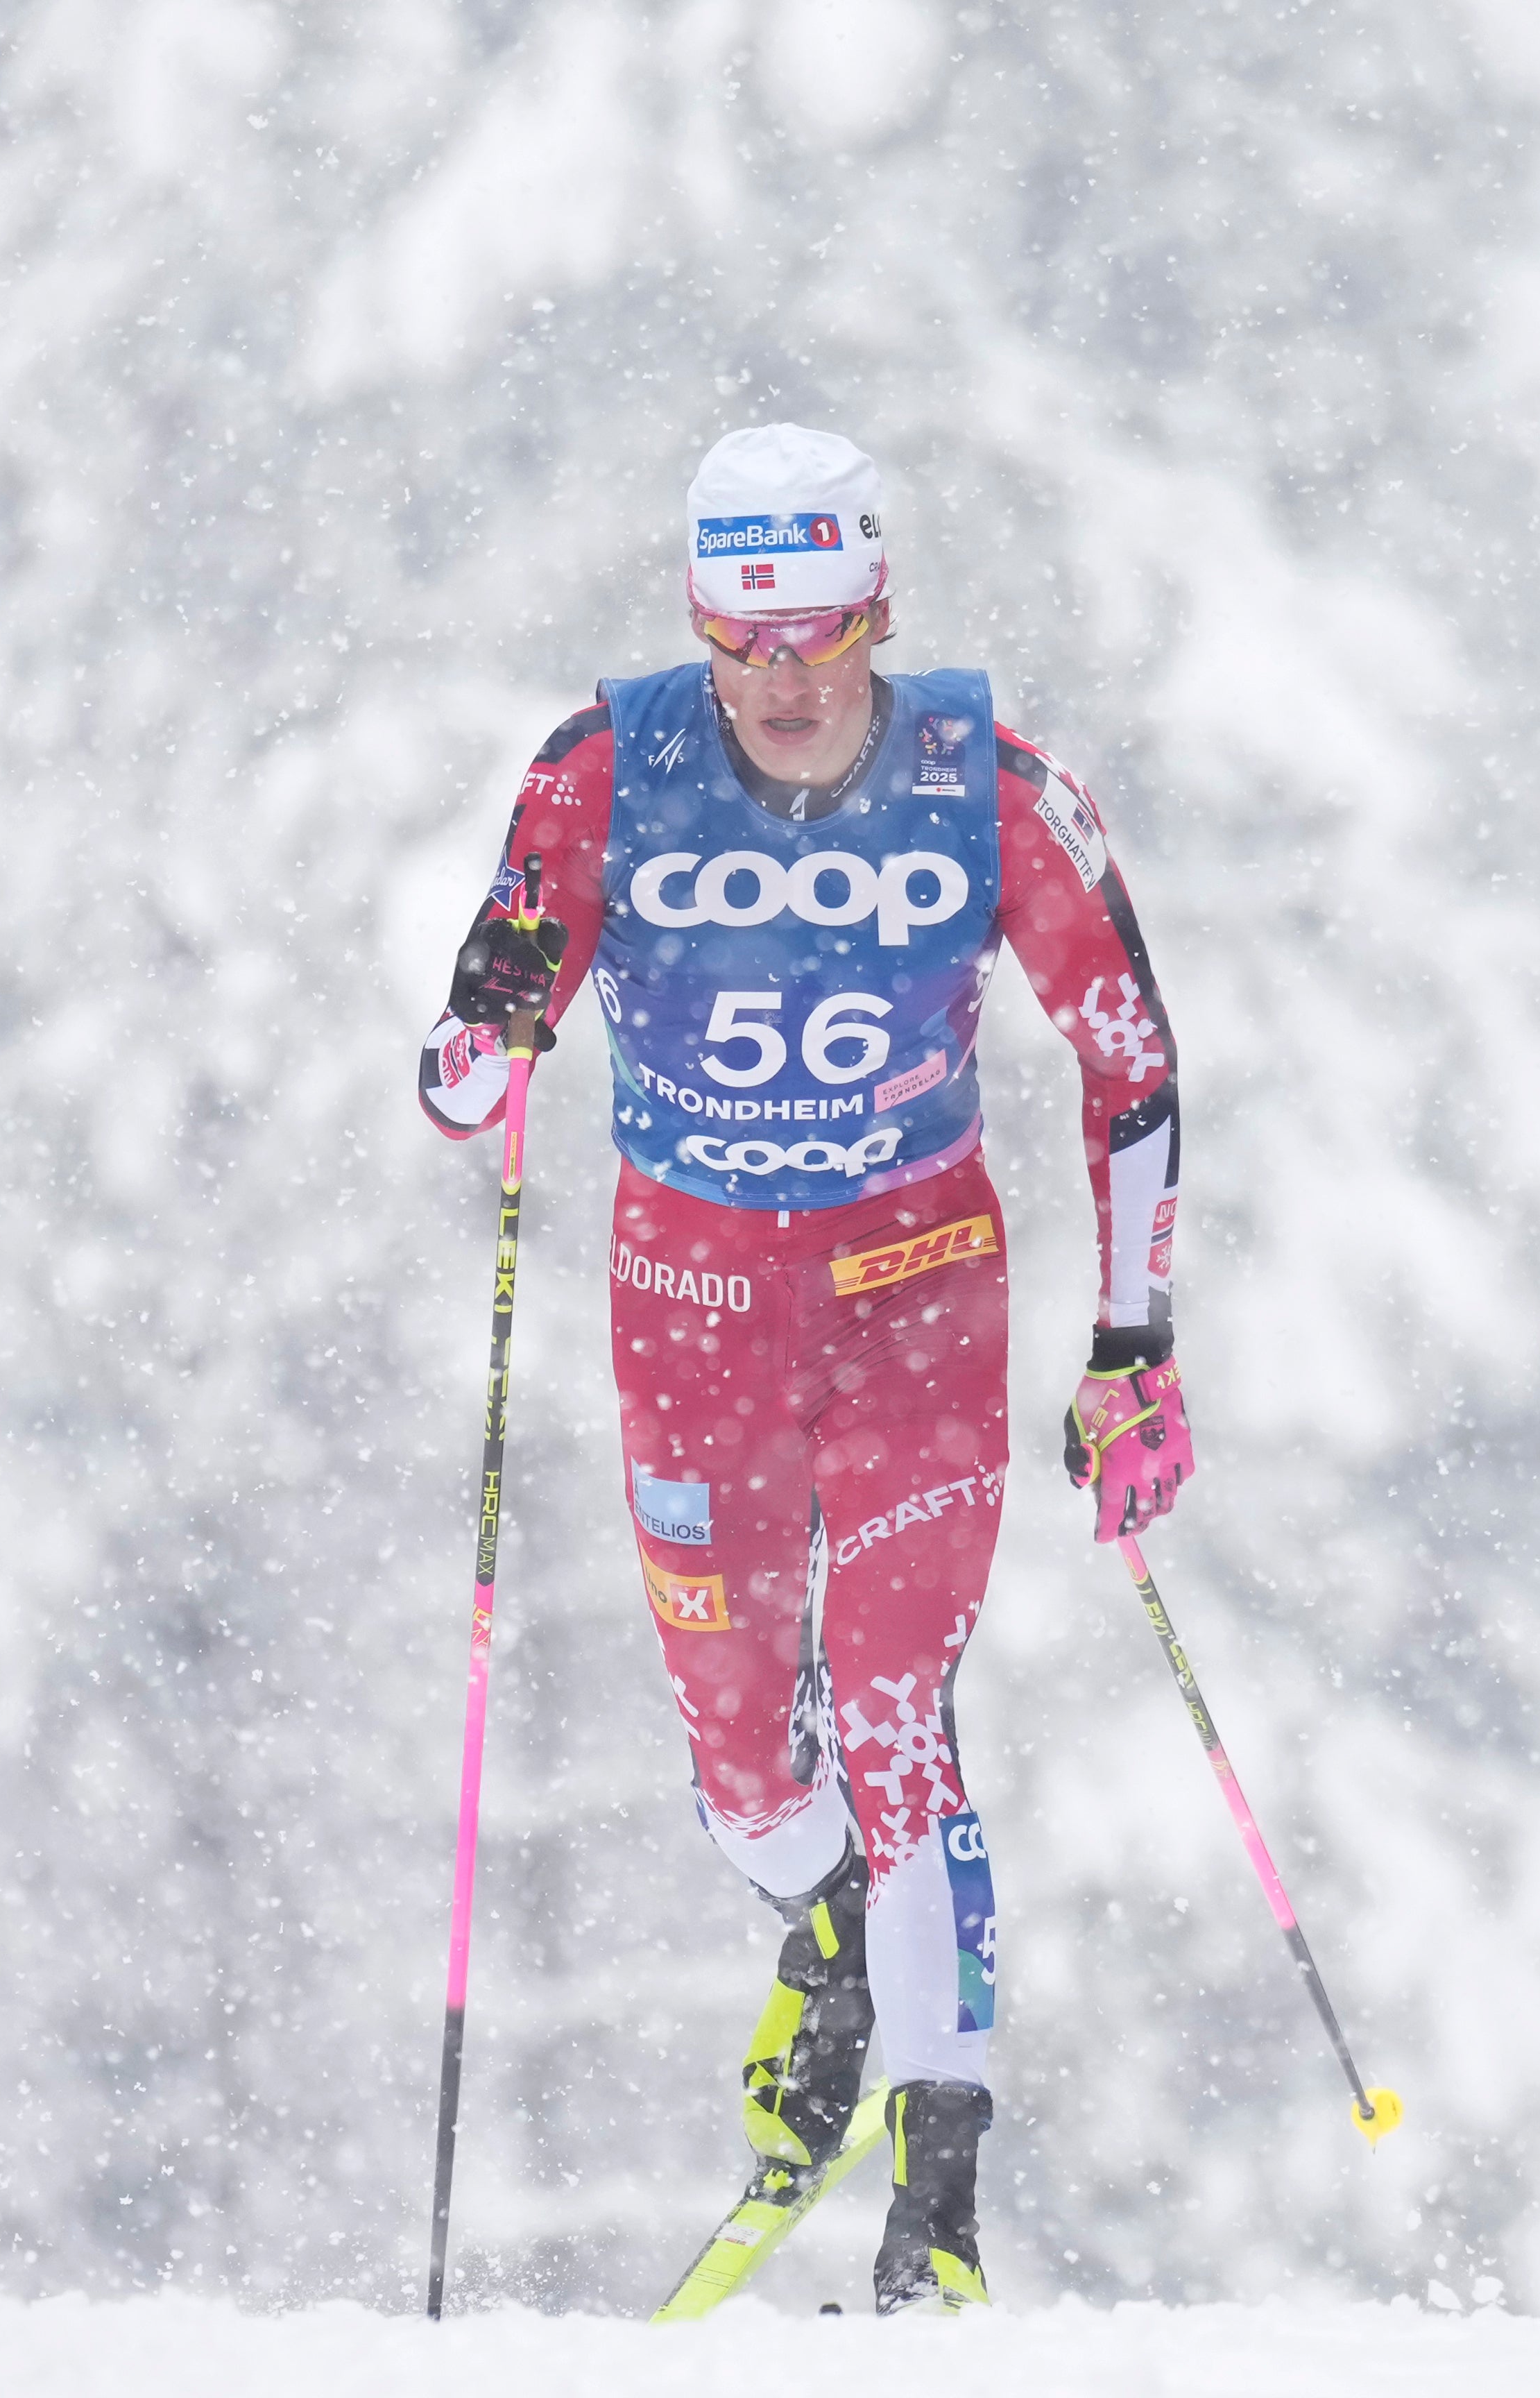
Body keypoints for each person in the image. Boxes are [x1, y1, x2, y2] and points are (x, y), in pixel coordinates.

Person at [417, 424, 1192, 2315]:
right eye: (741, 639)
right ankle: (825, 1925)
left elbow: (1133, 1062)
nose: (780, 681)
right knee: (747, 1760)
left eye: (818, 635)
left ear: (879, 613)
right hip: (690, 1311)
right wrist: (492, 1005)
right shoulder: (603, 771)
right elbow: (459, 1098)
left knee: (897, 1710)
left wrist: (1134, 1344)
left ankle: (941, 2205)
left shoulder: (988, 784)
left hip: (913, 1290)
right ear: (696, 620)